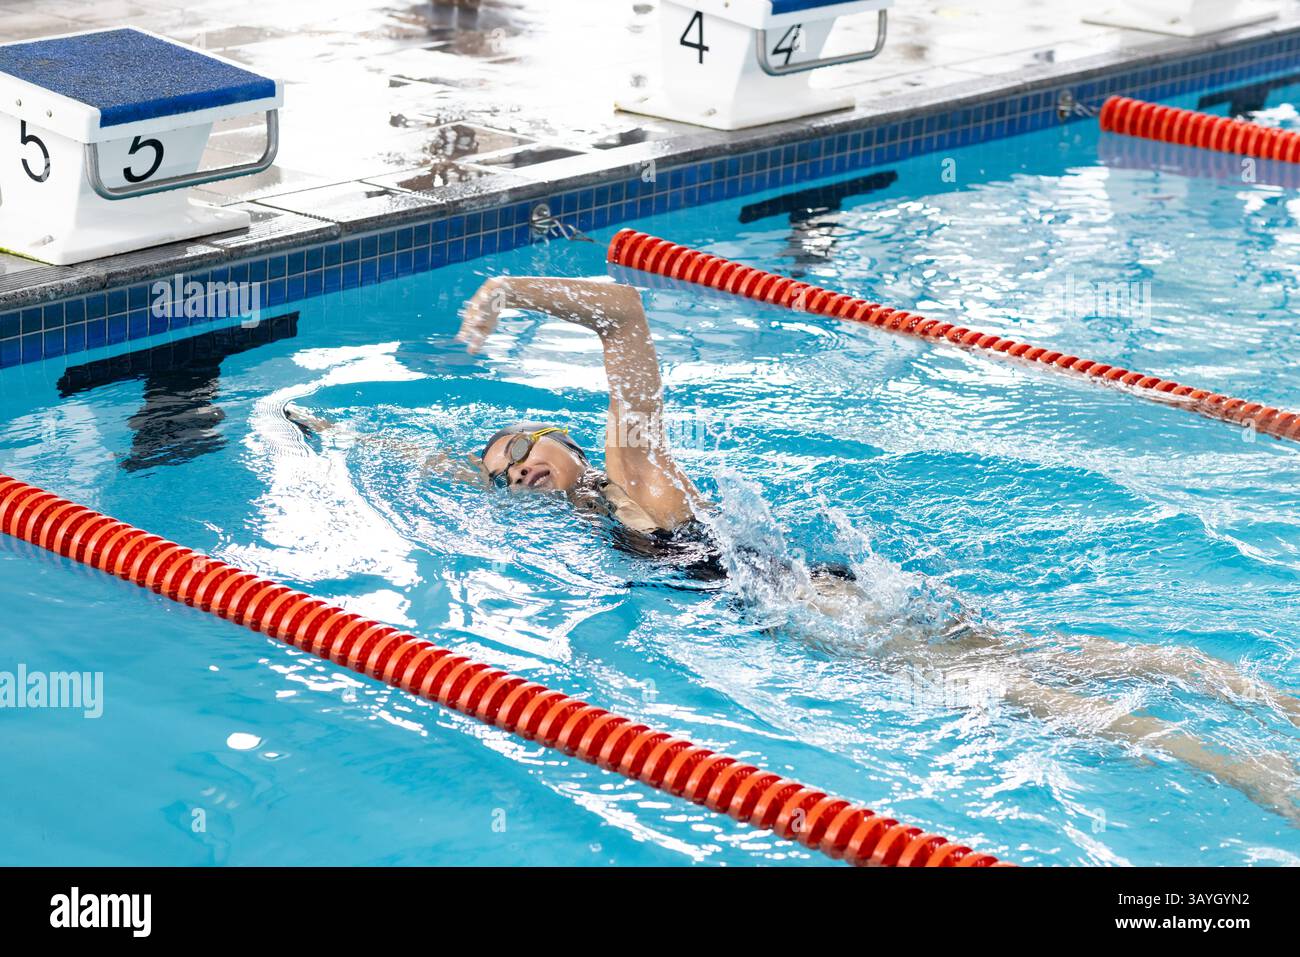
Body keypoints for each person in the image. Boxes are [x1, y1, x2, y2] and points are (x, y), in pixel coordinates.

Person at [291, 273, 1300, 823]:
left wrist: (513, 289)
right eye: (502, 473)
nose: (513, 474)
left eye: (521, 451)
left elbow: (626, 314)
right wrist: (341, 436)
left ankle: (1253, 777)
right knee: (1080, 657)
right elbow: (460, 465)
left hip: (832, 614)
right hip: (842, 585)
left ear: (560, 433)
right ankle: (1280, 709)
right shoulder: (601, 500)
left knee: (1035, 698)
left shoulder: (637, 487)